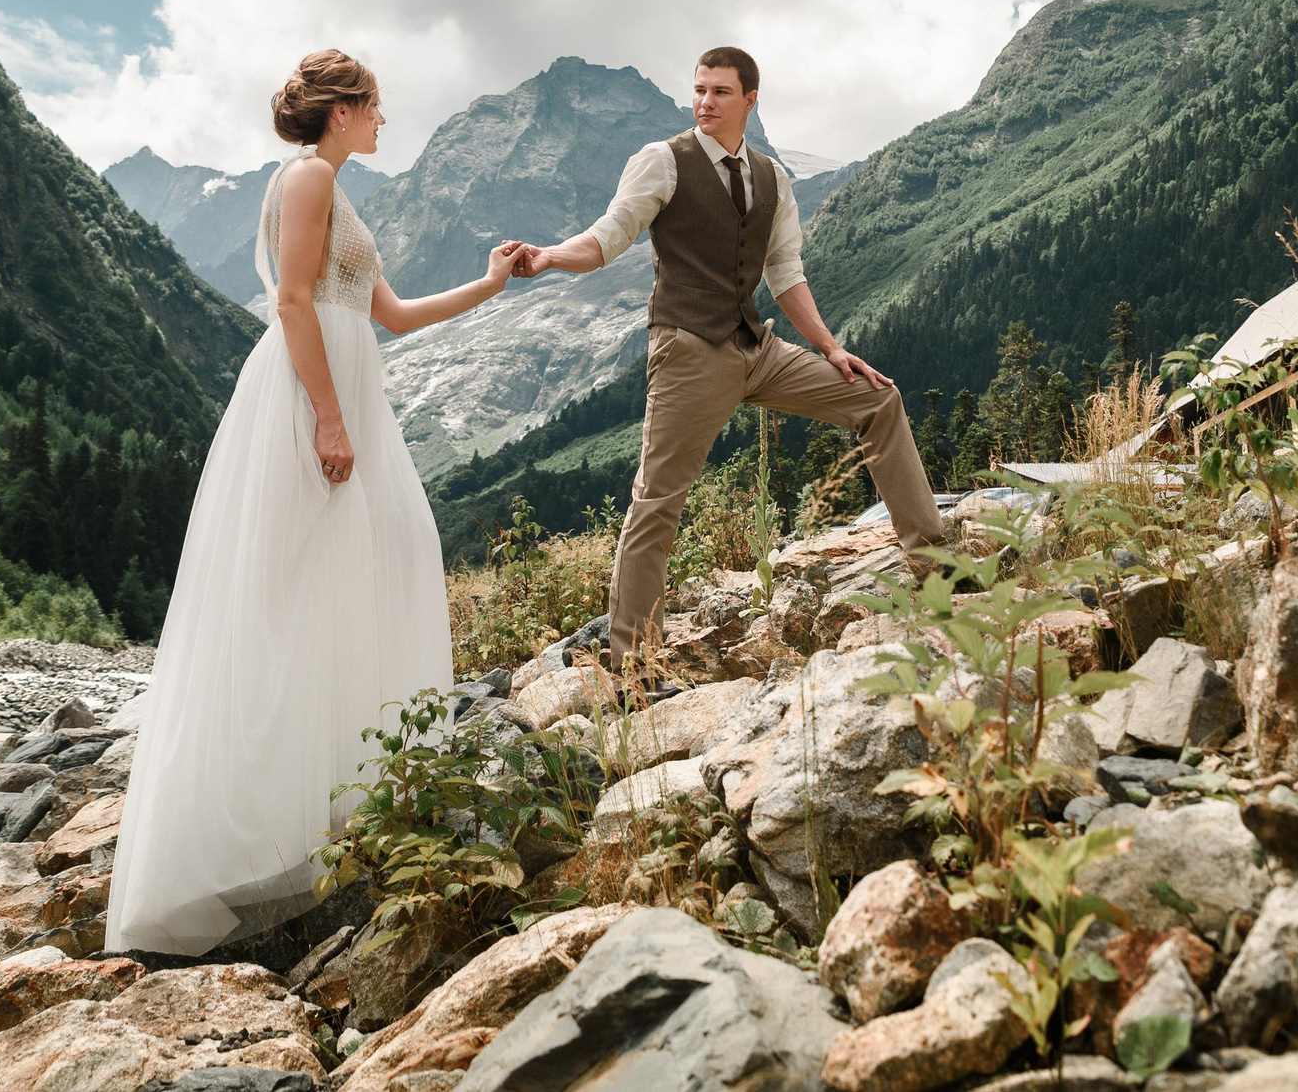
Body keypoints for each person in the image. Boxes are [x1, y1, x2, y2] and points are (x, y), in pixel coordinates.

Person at [107, 50, 524, 956]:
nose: (384, 122)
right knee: (300, 592)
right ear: (342, 110)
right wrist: (328, 419)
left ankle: (341, 799)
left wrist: (491, 284)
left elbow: (395, 314)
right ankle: (260, 832)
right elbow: (294, 301)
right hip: (310, 399)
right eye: (376, 107)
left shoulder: (336, 187)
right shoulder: (303, 179)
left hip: (346, 396)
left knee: (384, 558)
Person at [512, 46, 949, 667]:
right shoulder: (662, 161)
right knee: (657, 501)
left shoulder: (772, 177)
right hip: (689, 350)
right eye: (698, 90)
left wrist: (830, 348)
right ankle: (631, 662)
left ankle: (936, 570)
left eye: (719, 92)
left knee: (878, 398)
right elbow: (610, 235)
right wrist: (552, 255)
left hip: (756, 347)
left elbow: (785, 273)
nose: (704, 103)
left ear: (749, 100)